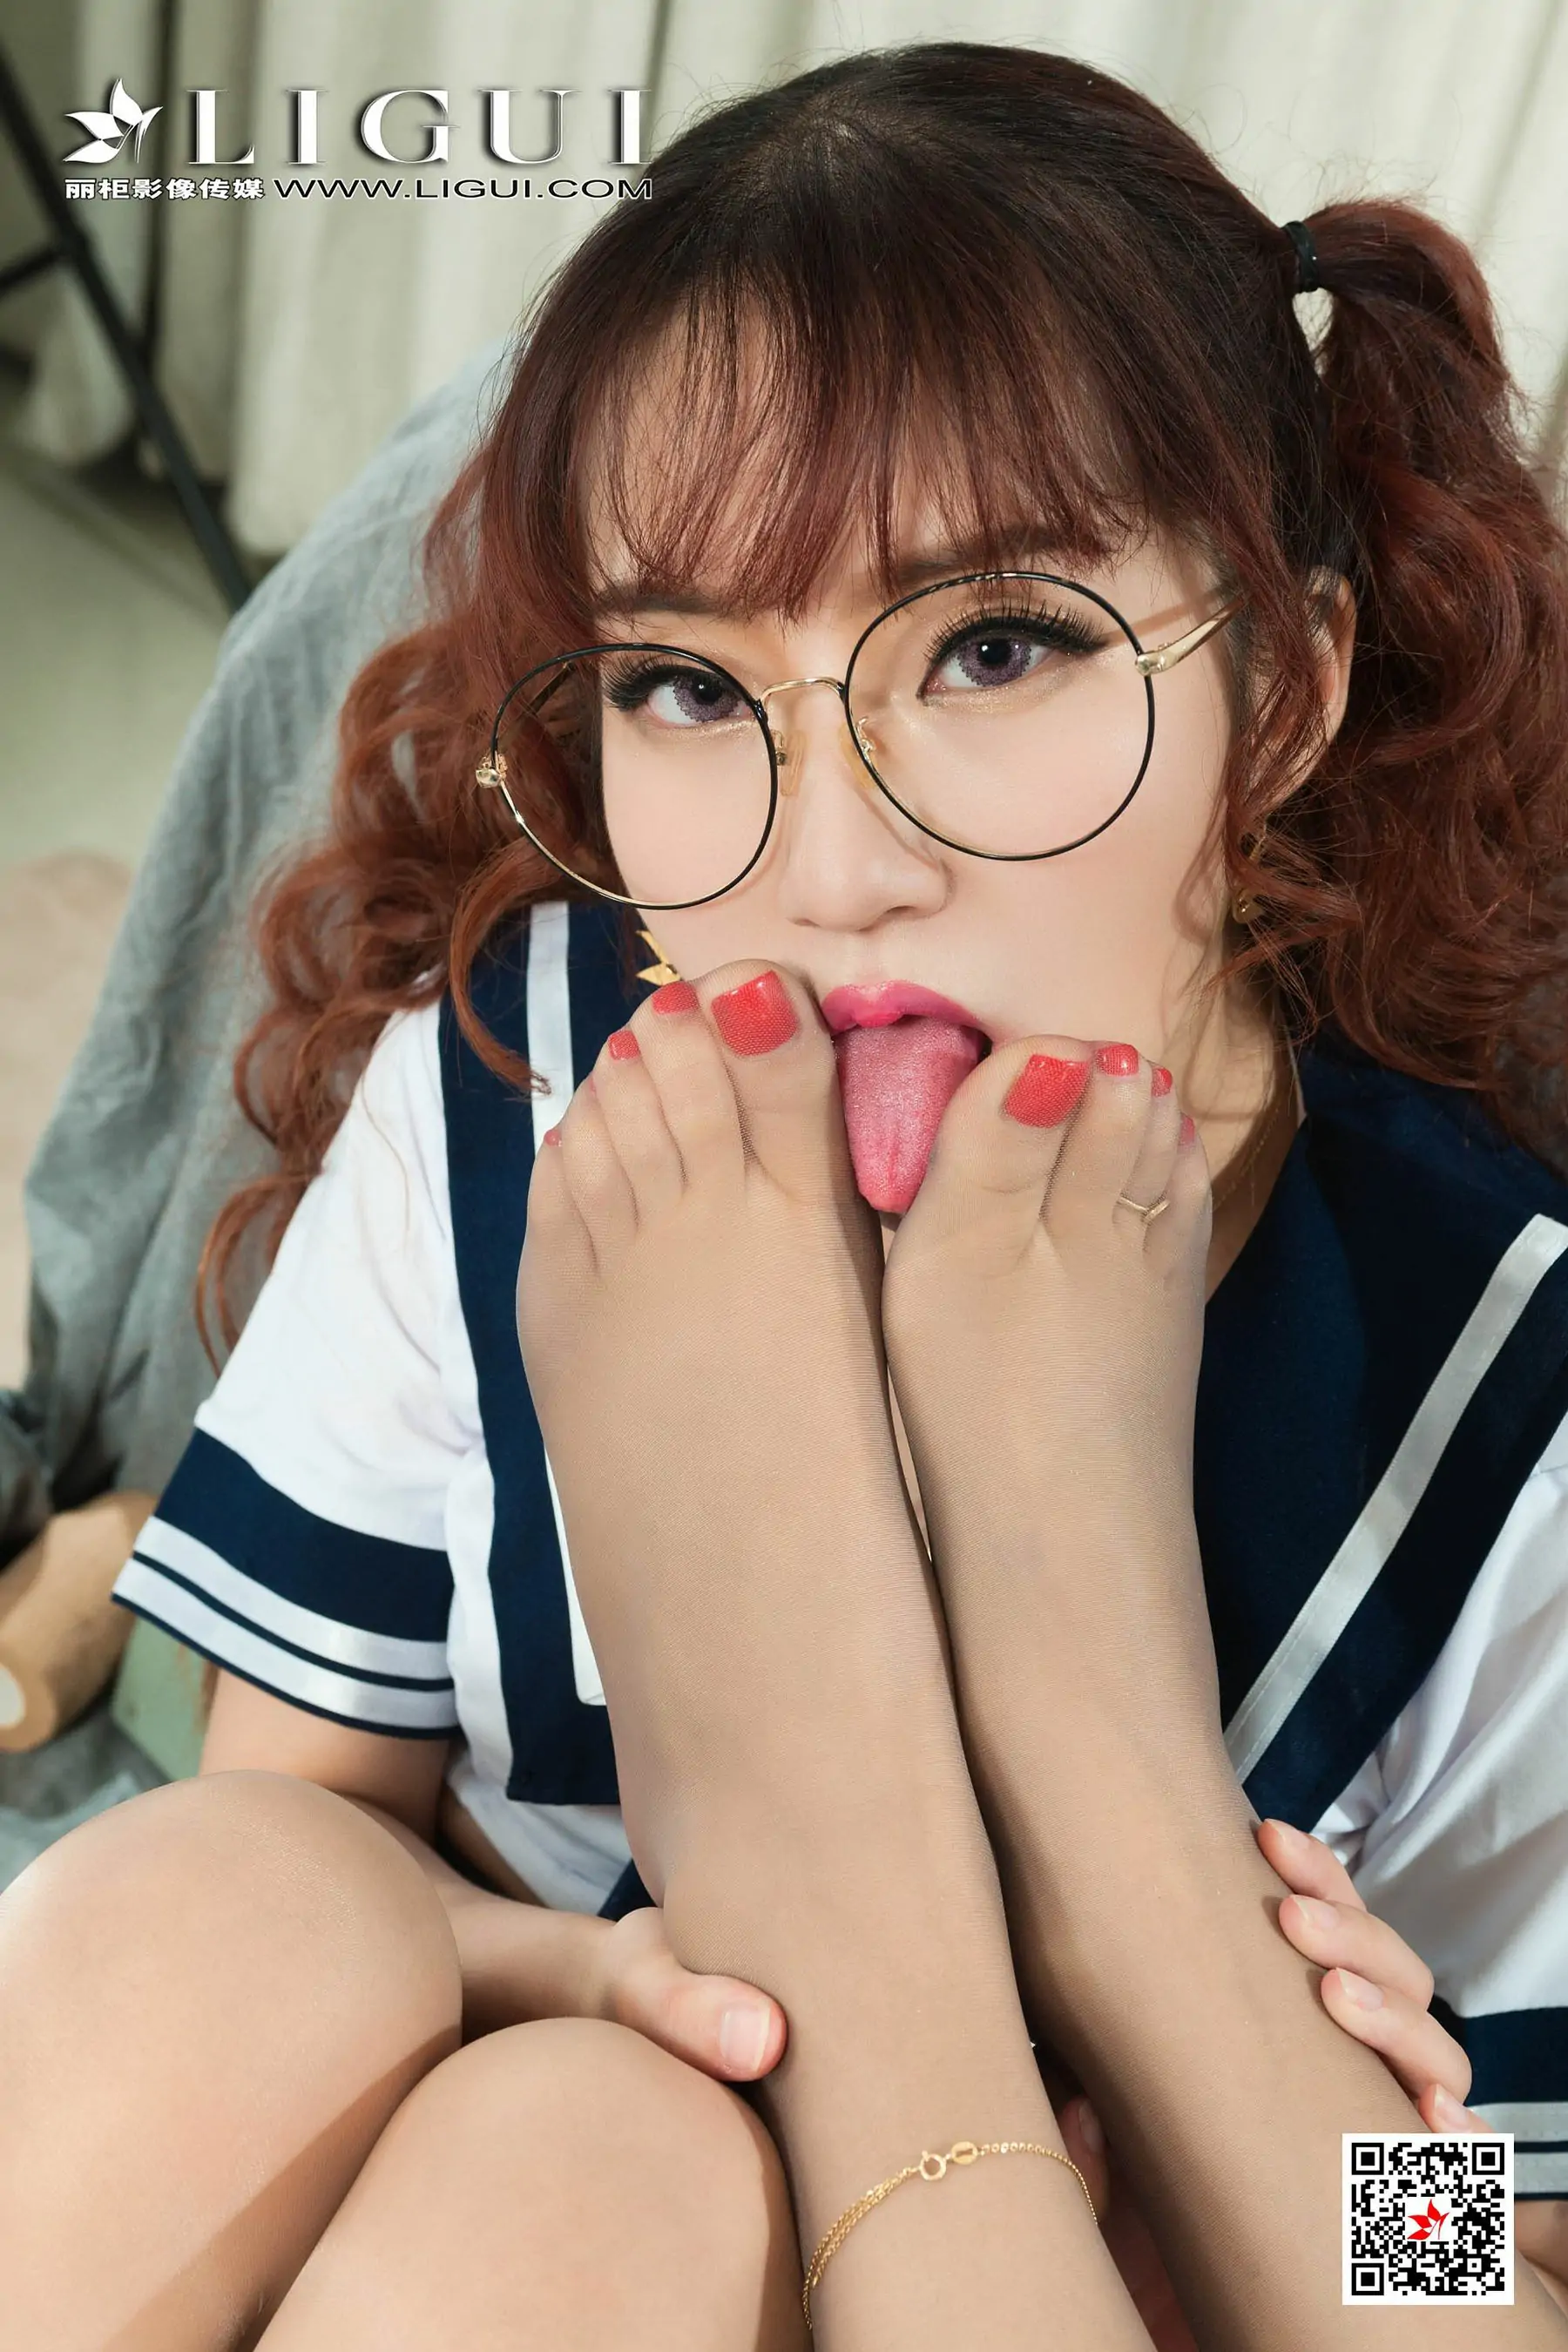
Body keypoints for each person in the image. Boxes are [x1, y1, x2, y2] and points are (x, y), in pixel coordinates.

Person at [2, 40, 1566, 2348]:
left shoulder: (1496, 1406)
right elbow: (308, 1819)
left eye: (999, 647)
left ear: (1290, 684)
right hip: (497, 2150)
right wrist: (598, 1974)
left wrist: (1264, 2083)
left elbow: (1491, 2261)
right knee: (273, 1932)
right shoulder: (520, 1103)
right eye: (684, 685)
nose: (829, 868)